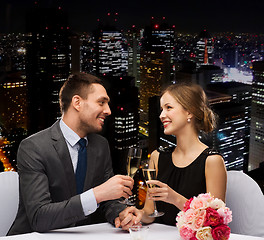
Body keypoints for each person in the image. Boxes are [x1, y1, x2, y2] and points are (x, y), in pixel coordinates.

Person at [8, 73, 142, 235]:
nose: (108, 111)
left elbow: (108, 202)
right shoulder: (33, 147)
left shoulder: (100, 146)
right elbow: (39, 217)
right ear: (77, 103)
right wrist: (96, 194)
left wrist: (120, 213)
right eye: (101, 102)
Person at [141, 82, 227, 226]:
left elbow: (215, 222)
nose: (162, 115)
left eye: (168, 107)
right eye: (162, 109)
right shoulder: (157, 156)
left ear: (189, 112)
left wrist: (175, 198)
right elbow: (150, 213)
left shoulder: (212, 161)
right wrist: (136, 214)